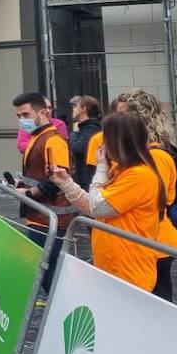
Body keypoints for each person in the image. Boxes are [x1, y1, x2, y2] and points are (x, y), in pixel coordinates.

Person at [49, 112, 166, 292]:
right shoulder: (122, 169)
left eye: (106, 137)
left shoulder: (140, 175)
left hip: (128, 272)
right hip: (112, 268)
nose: (101, 143)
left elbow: (98, 207)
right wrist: (66, 183)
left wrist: (101, 167)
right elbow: (93, 207)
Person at [97, 89, 177, 300]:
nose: (119, 120)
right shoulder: (137, 157)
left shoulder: (155, 158)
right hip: (136, 245)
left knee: (155, 311)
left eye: (123, 115)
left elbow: (151, 198)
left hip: (153, 247)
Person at [12, 91, 73, 291]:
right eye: (19, 116)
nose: (22, 120)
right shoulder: (35, 137)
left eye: (26, 115)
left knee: (51, 277)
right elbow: (38, 175)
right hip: (39, 217)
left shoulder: (53, 141)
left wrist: (26, 194)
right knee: (46, 276)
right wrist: (21, 185)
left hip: (51, 220)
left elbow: (57, 183)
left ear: (42, 113)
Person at [68, 95, 102, 189]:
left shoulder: (92, 128)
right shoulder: (87, 128)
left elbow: (79, 149)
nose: (73, 110)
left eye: (75, 106)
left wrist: (74, 133)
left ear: (83, 109)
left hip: (88, 183)